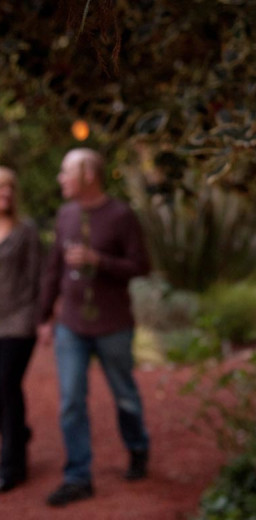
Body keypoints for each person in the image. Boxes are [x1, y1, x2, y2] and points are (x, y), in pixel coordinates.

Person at [39, 148, 151, 507]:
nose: (60, 179)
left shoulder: (120, 216)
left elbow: (140, 266)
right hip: (70, 326)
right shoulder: (65, 214)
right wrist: (44, 317)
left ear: (88, 174)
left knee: (124, 394)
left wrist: (98, 261)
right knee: (71, 400)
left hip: (113, 325)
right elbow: (54, 268)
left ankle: (137, 448)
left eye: (66, 172)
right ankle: (77, 476)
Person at [0, 166, 41, 493]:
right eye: (1, 189)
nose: (6, 195)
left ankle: (12, 466)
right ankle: (19, 433)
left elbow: (35, 278)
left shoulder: (26, 230)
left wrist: (37, 317)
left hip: (18, 321)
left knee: (6, 385)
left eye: (10, 189)